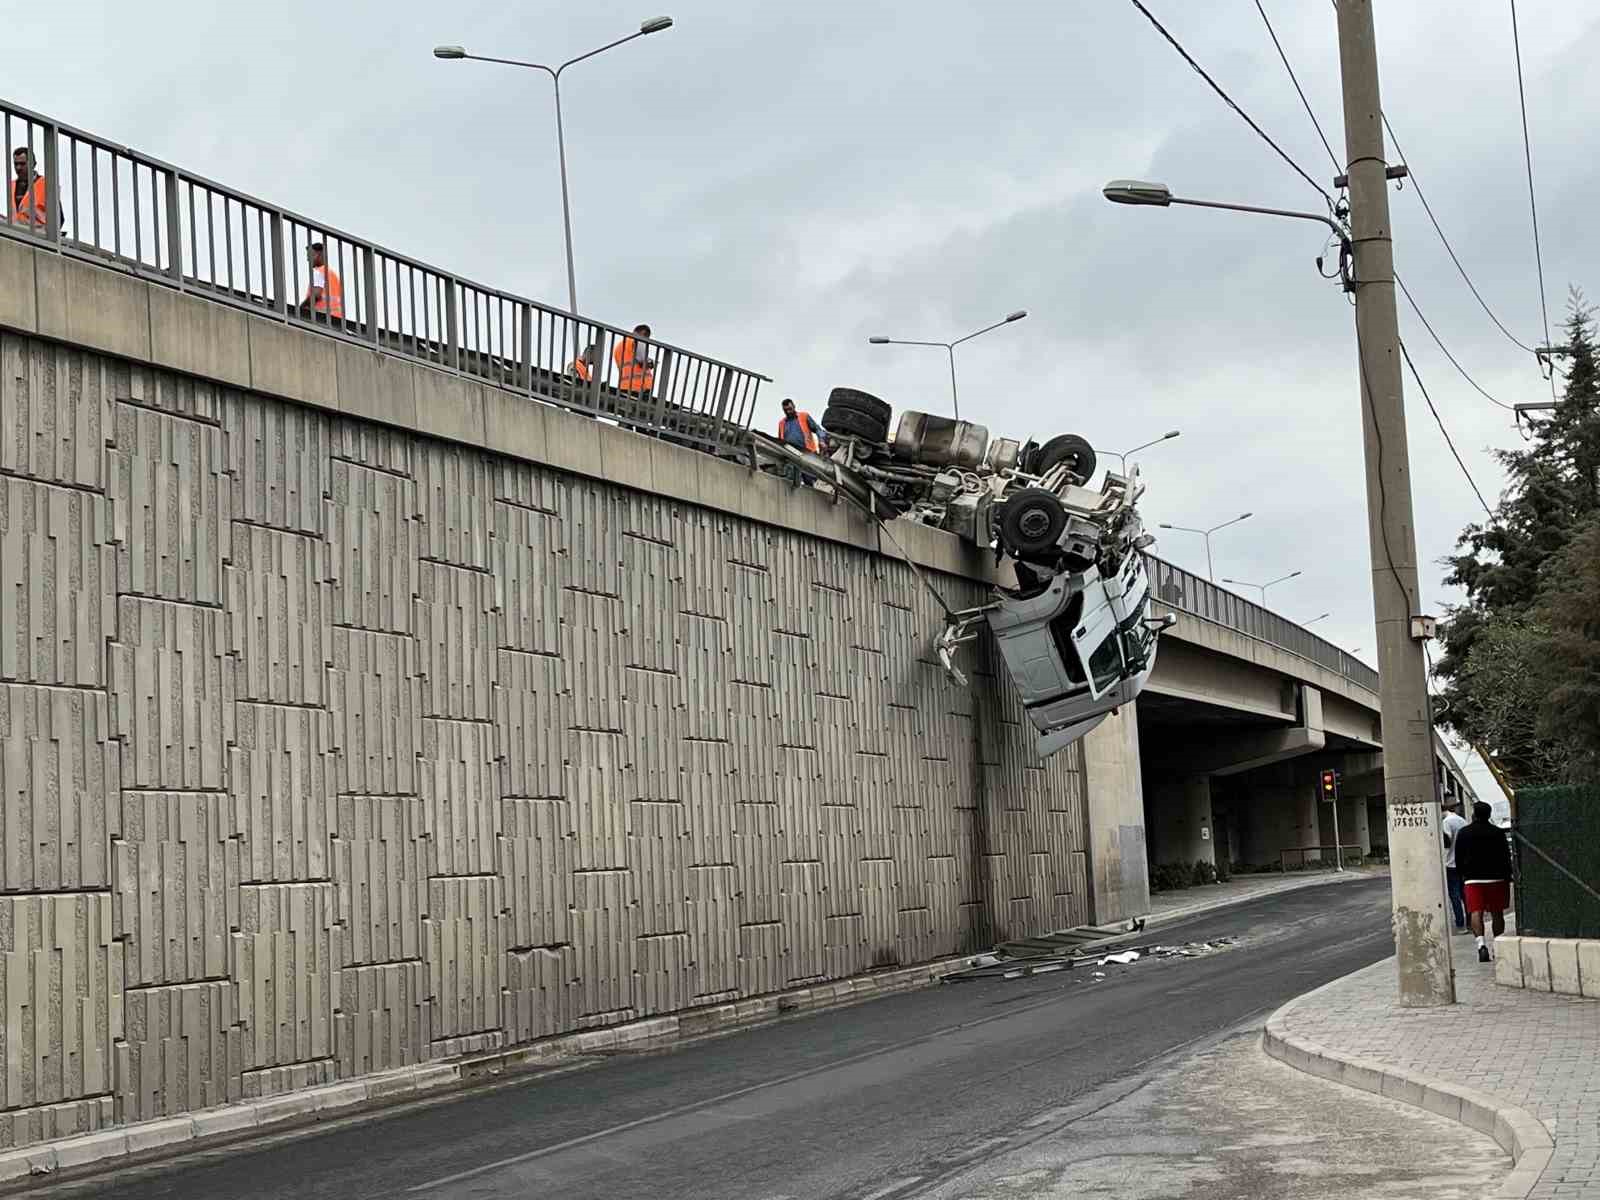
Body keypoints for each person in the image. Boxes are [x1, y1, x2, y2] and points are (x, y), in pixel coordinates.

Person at [1454, 800, 1513, 963]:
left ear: (1474, 814)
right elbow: (1505, 856)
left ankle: (1481, 945)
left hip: (1473, 879)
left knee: (1476, 912)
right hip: (1496, 878)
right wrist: (1508, 875)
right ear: (1489, 814)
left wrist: (1463, 875)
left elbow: (1458, 857)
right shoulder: (1497, 832)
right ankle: (1497, 946)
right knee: (1497, 912)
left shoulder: (1464, 833)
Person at [1441, 799, 1469, 932]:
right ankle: (1470, 923)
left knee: (1455, 896)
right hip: (1464, 863)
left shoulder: (1446, 822)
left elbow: (1447, 842)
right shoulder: (1462, 821)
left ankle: (1460, 925)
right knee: (1465, 895)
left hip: (1451, 864)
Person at [300, 242, 344, 321]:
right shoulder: (331, 274)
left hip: (322, 317)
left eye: (310, 256)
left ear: (318, 254)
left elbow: (316, 295)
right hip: (337, 318)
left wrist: (300, 309)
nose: (308, 259)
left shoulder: (319, 272)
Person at [10, 148, 50, 233]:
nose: (18, 167)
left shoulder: (45, 184)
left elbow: (59, 217)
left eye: (22, 164)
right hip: (16, 233)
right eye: (16, 164)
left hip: (38, 235)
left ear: (33, 164)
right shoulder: (11, 185)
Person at [614, 324, 655, 394]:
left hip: (624, 385)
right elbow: (643, 361)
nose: (647, 341)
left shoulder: (620, 345)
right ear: (643, 333)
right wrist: (652, 363)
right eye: (647, 337)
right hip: (640, 386)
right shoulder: (637, 340)